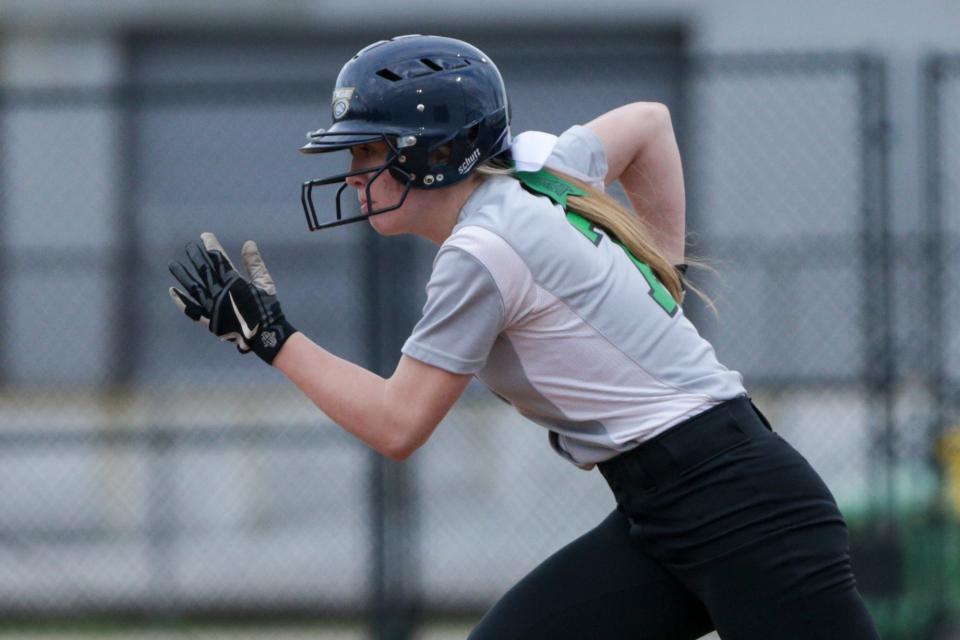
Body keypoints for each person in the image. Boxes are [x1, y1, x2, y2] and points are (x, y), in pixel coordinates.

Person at [168, 35, 880, 640]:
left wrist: (272, 337)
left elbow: (397, 424)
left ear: (434, 152)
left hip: (740, 507)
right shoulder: (534, 166)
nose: (353, 174)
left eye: (370, 151)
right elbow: (648, 125)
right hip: (669, 506)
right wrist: (668, 277)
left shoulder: (483, 249)